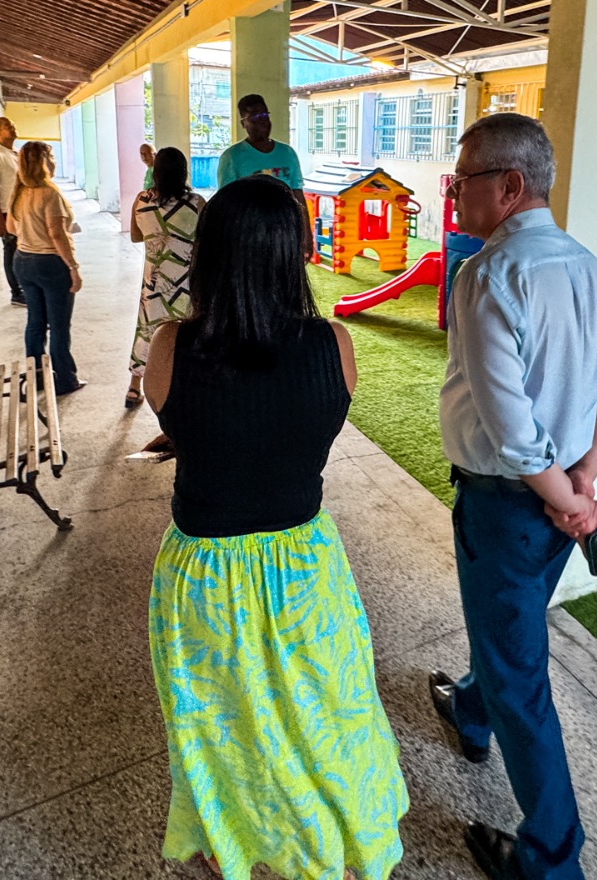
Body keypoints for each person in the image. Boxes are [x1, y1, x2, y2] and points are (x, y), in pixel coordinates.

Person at [143, 176, 408, 880]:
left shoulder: (170, 348)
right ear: (294, 256)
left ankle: (223, 834)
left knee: (216, 722)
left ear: (209, 255)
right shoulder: (336, 347)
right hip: (304, 569)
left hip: (203, 573)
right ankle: (334, 843)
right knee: (323, 716)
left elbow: (187, 423)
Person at [429, 114, 597, 880]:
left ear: (509, 187)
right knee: (506, 633)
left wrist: (566, 496)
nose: (454, 194)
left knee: (522, 676)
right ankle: (469, 708)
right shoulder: (586, 267)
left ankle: (552, 860)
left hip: (508, 502)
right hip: (550, 505)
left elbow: (509, 426)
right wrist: (583, 481)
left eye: (465, 180)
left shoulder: (487, 273)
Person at [127, 147, 203, 418]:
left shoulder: (142, 200)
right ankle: (186, 384)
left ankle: (135, 386)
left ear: (155, 172)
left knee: (147, 329)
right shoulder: (197, 203)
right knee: (188, 333)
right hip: (186, 282)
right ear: (184, 172)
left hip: (154, 282)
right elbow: (204, 243)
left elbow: (136, 236)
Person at [7, 141, 86, 396]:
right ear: (44, 162)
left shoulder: (18, 191)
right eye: (50, 157)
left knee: (35, 323)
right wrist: (72, 268)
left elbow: (10, 228)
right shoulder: (50, 194)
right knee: (59, 325)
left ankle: (37, 377)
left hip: (23, 260)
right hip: (51, 265)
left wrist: (31, 229)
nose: (53, 161)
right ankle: (65, 379)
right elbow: (56, 234)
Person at [216, 94, 303, 188]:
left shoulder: (288, 153)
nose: (262, 121)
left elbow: (297, 193)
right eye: (254, 117)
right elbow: (226, 199)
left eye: (264, 115)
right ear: (243, 123)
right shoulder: (231, 157)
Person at [0, 116, 24, 305]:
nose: (13, 128)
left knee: (21, 250)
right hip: (6, 212)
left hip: (19, 211)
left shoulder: (14, 153)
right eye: (8, 126)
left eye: (13, 124)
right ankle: (16, 292)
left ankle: (23, 287)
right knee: (11, 250)